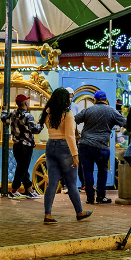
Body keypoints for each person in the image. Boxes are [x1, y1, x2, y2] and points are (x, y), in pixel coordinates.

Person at [39, 88, 91, 224]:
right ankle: (79, 212)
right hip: (64, 147)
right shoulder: (67, 113)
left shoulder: (48, 113)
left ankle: (47, 214)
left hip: (50, 146)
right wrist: (75, 154)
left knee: (52, 183)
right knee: (72, 183)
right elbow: (69, 135)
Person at [75, 90, 127, 204]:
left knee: (87, 171)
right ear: (106, 100)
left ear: (95, 100)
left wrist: (76, 135)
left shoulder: (87, 110)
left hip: (85, 145)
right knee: (102, 171)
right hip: (101, 146)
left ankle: (89, 197)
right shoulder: (112, 111)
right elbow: (125, 123)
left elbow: (73, 120)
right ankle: (101, 196)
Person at [1, 94, 43, 199]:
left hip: (16, 145)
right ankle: (14, 190)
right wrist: (42, 123)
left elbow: (3, 119)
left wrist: (4, 110)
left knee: (22, 168)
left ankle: (29, 189)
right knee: (22, 169)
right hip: (26, 146)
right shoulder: (28, 116)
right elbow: (35, 130)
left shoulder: (12, 114)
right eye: (27, 102)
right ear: (25, 104)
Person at [66, 87, 85, 192]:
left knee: (78, 161)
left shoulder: (75, 107)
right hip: (65, 138)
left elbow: (75, 122)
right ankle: (66, 185)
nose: (69, 97)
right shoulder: (61, 108)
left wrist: (77, 134)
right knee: (66, 161)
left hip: (73, 136)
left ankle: (83, 184)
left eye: (70, 94)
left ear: (73, 95)